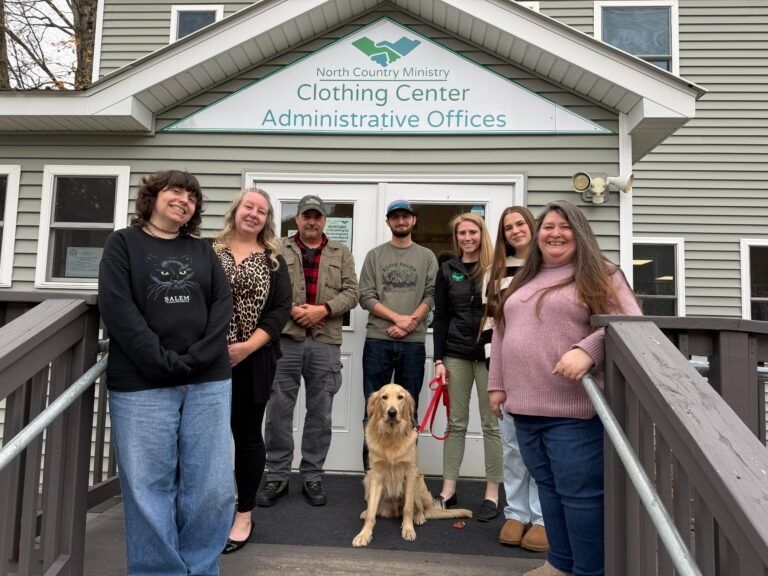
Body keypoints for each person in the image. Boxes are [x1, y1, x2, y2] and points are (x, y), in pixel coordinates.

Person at [487, 200, 641, 576]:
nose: (555, 233)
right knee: (550, 489)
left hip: (574, 412)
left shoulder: (601, 273)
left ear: (580, 232)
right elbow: (504, 331)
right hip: (524, 408)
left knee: (580, 496)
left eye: (564, 226)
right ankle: (560, 563)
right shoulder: (526, 278)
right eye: (548, 227)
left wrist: (589, 349)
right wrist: (497, 384)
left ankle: (589, 570)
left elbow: (630, 323)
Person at [98, 170, 234, 576]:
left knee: (211, 487)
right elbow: (118, 309)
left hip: (207, 380)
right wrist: (161, 361)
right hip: (141, 383)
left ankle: (201, 568)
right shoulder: (122, 244)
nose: (185, 200)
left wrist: (195, 358)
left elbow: (221, 307)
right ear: (153, 196)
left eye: (192, 196)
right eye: (176, 191)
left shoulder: (204, 250)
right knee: (147, 488)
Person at [258, 194, 359, 507]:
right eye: (306, 216)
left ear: (324, 220)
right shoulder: (276, 248)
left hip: (325, 341)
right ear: (297, 219)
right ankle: (276, 476)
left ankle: (312, 476)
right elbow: (266, 287)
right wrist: (290, 310)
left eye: (317, 216)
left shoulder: (341, 252)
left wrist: (323, 310)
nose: (311, 221)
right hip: (285, 340)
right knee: (278, 411)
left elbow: (353, 292)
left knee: (320, 414)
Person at [212, 188, 292, 554]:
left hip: (254, 359)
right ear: (236, 209)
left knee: (246, 435)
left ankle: (244, 514)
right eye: (249, 206)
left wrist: (246, 347)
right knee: (204, 438)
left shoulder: (275, 260)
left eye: (262, 211)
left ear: (267, 220)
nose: (254, 214)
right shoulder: (208, 252)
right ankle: (206, 511)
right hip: (206, 359)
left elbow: (279, 312)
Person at [479, 206, 548, 551]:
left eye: (521, 223)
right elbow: (492, 329)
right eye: (508, 227)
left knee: (539, 450)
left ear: (532, 226)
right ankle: (516, 513)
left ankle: (541, 518)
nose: (516, 230)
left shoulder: (548, 268)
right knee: (512, 448)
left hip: (545, 374)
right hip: (509, 375)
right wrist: (497, 382)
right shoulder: (495, 272)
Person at [432, 212, 502, 521]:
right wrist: (438, 360)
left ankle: (492, 492)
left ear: (481, 234)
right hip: (456, 354)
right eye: (462, 233)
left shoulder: (495, 267)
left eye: (472, 232)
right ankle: (448, 490)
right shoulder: (448, 269)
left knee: (491, 424)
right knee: (456, 423)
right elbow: (442, 317)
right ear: (457, 237)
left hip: (490, 356)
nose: (467, 237)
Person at [358, 199, 438, 469]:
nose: (401, 221)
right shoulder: (375, 255)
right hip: (378, 340)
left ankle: (406, 475)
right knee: (373, 410)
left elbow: (431, 293)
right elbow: (365, 296)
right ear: (388, 222)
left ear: (413, 220)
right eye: (395, 217)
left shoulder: (426, 256)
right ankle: (371, 478)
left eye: (405, 217)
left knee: (407, 410)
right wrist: (397, 318)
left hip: (413, 344)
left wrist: (410, 322)